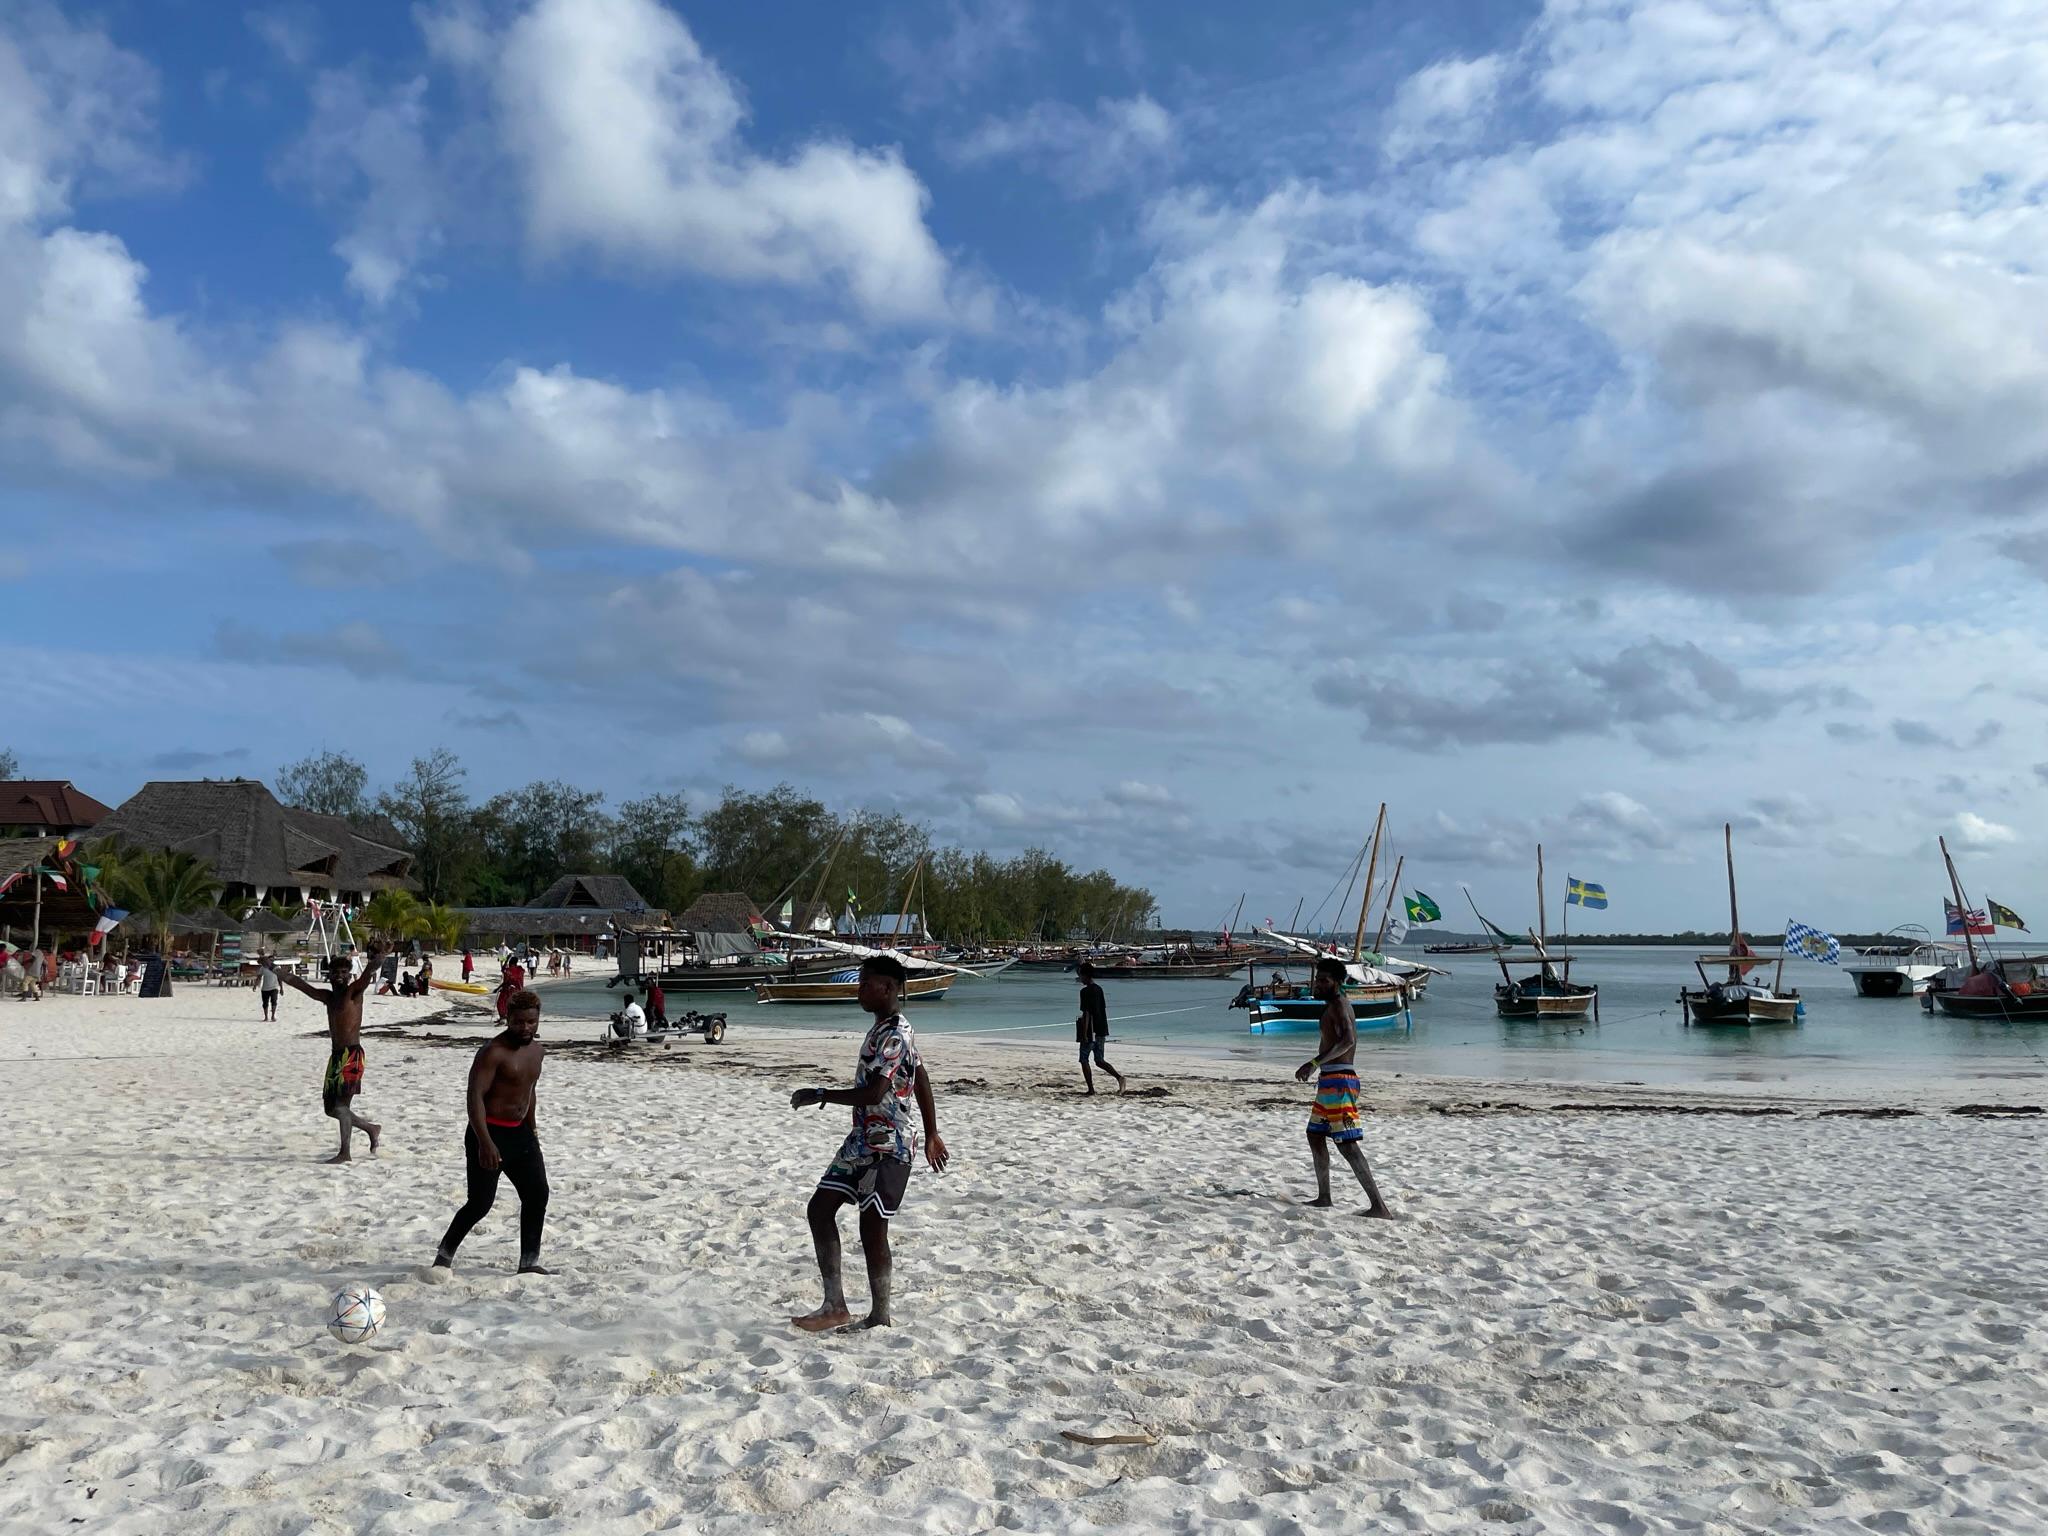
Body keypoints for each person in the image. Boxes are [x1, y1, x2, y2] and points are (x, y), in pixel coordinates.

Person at [788, 955, 948, 1332]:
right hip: (861, 1141)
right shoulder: (884, 1029)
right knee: (819, 1209)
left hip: (890, 1144)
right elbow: (920, 1075)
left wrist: (821, 1093)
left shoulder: (895, 1033)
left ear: (888, 989)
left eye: (865, 983)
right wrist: (934, 1131)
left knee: (872, 1227)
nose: (859, 989)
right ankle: (835, 1306)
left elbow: (876, 1092)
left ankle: (879, 1316)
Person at [434, 987, 549, 1273]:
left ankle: (528, 1262)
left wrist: (532, 1132)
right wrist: (484, 1142)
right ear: (507, 1017)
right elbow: (475, 1098)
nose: (525, 1027)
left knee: (537, 1194)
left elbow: (528, 1092)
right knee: (480, 1203)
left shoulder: (538, 1051)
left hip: (521, 1134)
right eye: (519, 1021)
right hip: (488, 1134)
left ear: (538, 1020)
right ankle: (444, 1255)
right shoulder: (492, 1053)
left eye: (531, 1022)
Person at [1296, 957, 1391, 1217]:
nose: (1318, 985)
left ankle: (1379, 1207)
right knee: (1315, 1135)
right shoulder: (1332, 1006)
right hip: (1329, 1081)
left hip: (1340, 1081)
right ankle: (1324, 1197)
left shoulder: (1339, 1005)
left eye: (1324, 981)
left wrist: (1314, 1062)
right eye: (1318, 980)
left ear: (1337, 982)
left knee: (1347, 1144)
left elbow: (1348, 1040)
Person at [283, 943, 386, 1164]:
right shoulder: (328, 997)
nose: (339, 976)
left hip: (352, 1056)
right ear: (328, 975)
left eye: (343, 973)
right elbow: (301, 985)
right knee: (331, 1108)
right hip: (336, 1056)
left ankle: (345, 1152)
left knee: (341, 1107)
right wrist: (273, 968)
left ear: (349, 975)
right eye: (335, 973)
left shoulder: (353, 992)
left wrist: (379, 957)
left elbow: (368, 974)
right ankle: (370, 1128)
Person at [1074, 962, 1125, 1095]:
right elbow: (1101, 1009)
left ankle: (1091, 1089)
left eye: (1080, 975)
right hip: (1101, 1028)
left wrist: (1085, 1033)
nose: (1080, 978)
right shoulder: (1099, 989)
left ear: (1085, 975)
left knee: (1084, 1059)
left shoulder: (1085, 992)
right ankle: (1119, 1078)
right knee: (1099, 1060)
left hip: (1091, 1030)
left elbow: (1087, 1013)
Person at [258, 955, 281, 1021]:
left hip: (274, 987)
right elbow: (259, 977)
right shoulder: (262, 968)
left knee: (274, 1002)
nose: (271, 961)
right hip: (265, 988)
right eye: (270, 959)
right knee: (265, 1003)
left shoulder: (276, 967)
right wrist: (255, 985)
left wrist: (281, 988)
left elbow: (280, 978)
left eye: (272, 960)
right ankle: (266, 1017)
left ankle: (273, 1016)